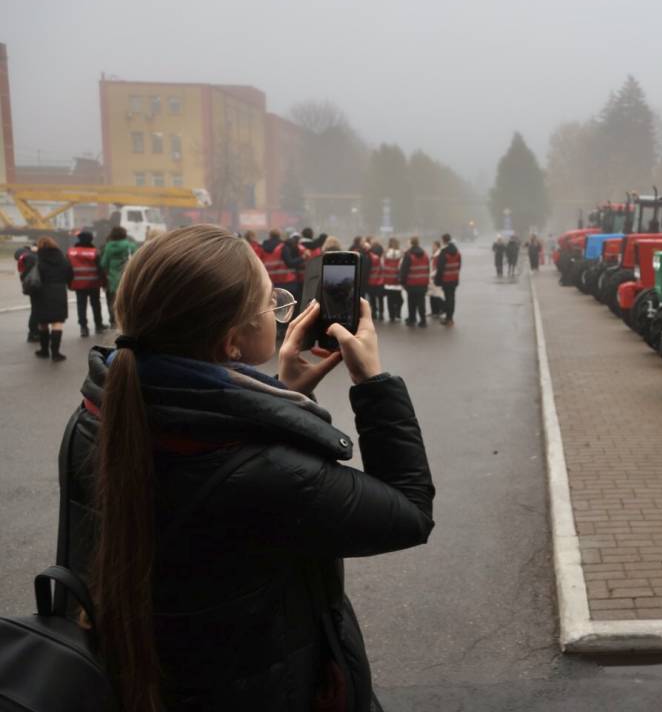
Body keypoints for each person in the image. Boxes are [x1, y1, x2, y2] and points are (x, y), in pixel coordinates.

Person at [55, 224, 434, 710]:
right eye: (269, 299)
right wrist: (371, 381)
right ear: (232, 340)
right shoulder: (265, 473)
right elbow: (410, 511)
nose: (281, 307)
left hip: (133, 682)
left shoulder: (98, 416)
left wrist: (284, 393)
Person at [29, 237, 73, 361]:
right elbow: (70, 272)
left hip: (41, 293)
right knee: (57, 322)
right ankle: (56, 353)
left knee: (43, 322)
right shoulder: (62, 258)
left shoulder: (38, 259)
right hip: (59, 292)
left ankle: (44, 351)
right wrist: (68, 284)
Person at [68, 230, 107, 337]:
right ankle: (99, 326)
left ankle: (83, 328)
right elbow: (101, 269)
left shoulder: (71, 252)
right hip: (93, 283)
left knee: (81, 306)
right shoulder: (95, 252)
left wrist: (69, 283)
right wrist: (104, 283)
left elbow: (68, 269)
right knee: (96, 304)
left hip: (78, 284)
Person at [99, 226, 137, 326]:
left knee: (112, 300)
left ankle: (113, 320)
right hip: (127, 278)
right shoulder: (130, 246)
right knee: (127, 300)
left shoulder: (108, 246)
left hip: (112, 280)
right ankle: (126, 320)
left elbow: (103, 263)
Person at [400, 236, 429, 327]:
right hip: (423, 283)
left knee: (411, 302)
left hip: (411, 283)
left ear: (411, 243)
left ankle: (412, 319)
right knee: (421, 302)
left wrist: (402, 282)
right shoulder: (425, 254)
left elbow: (404, 270)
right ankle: (423, 320)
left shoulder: (408, 255)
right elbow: (427, 268)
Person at [434, 233, 461, 326]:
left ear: (443, 241)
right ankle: (450, 318)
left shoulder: (444, 252)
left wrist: (437, 280)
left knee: (448, 298)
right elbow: (459, 266)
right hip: (454, 278)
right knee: (452, 299)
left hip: (446, 279)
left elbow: (440, 268)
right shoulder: (457, 252)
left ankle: (448, 318)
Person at [15, 244, 39, 342]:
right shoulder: (31, 256)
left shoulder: (25, 256)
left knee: (35, 309)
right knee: (36, 310)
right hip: (36, 285)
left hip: (30, 285)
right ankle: (34, 333)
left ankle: (34, 332)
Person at [383, 237, 404, 322]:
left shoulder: (386, 253)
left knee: (390, 300)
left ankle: (391, 316)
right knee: (399, 299)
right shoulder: (401, 254)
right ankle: (398, 313)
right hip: (397, 281)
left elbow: (382, 265)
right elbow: (402, 267)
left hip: (388, 281)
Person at [366, 242, 386, 320]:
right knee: (380, 299)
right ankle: (381, 313)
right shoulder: (381, 260)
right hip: (380, 282)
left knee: (372, 298)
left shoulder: (370, 258)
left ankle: (374, 313)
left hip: (371, 282)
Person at [427, 239, 444, 319]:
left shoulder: (438, 255)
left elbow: (437, 268)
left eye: (433, 246)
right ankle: (434, 311)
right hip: (431, 277)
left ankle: (442, 309)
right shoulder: (434, 255)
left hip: (434, 277)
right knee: (432, 294)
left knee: (437, 294)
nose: (432, 247)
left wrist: (432, 275)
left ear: (437, 247)